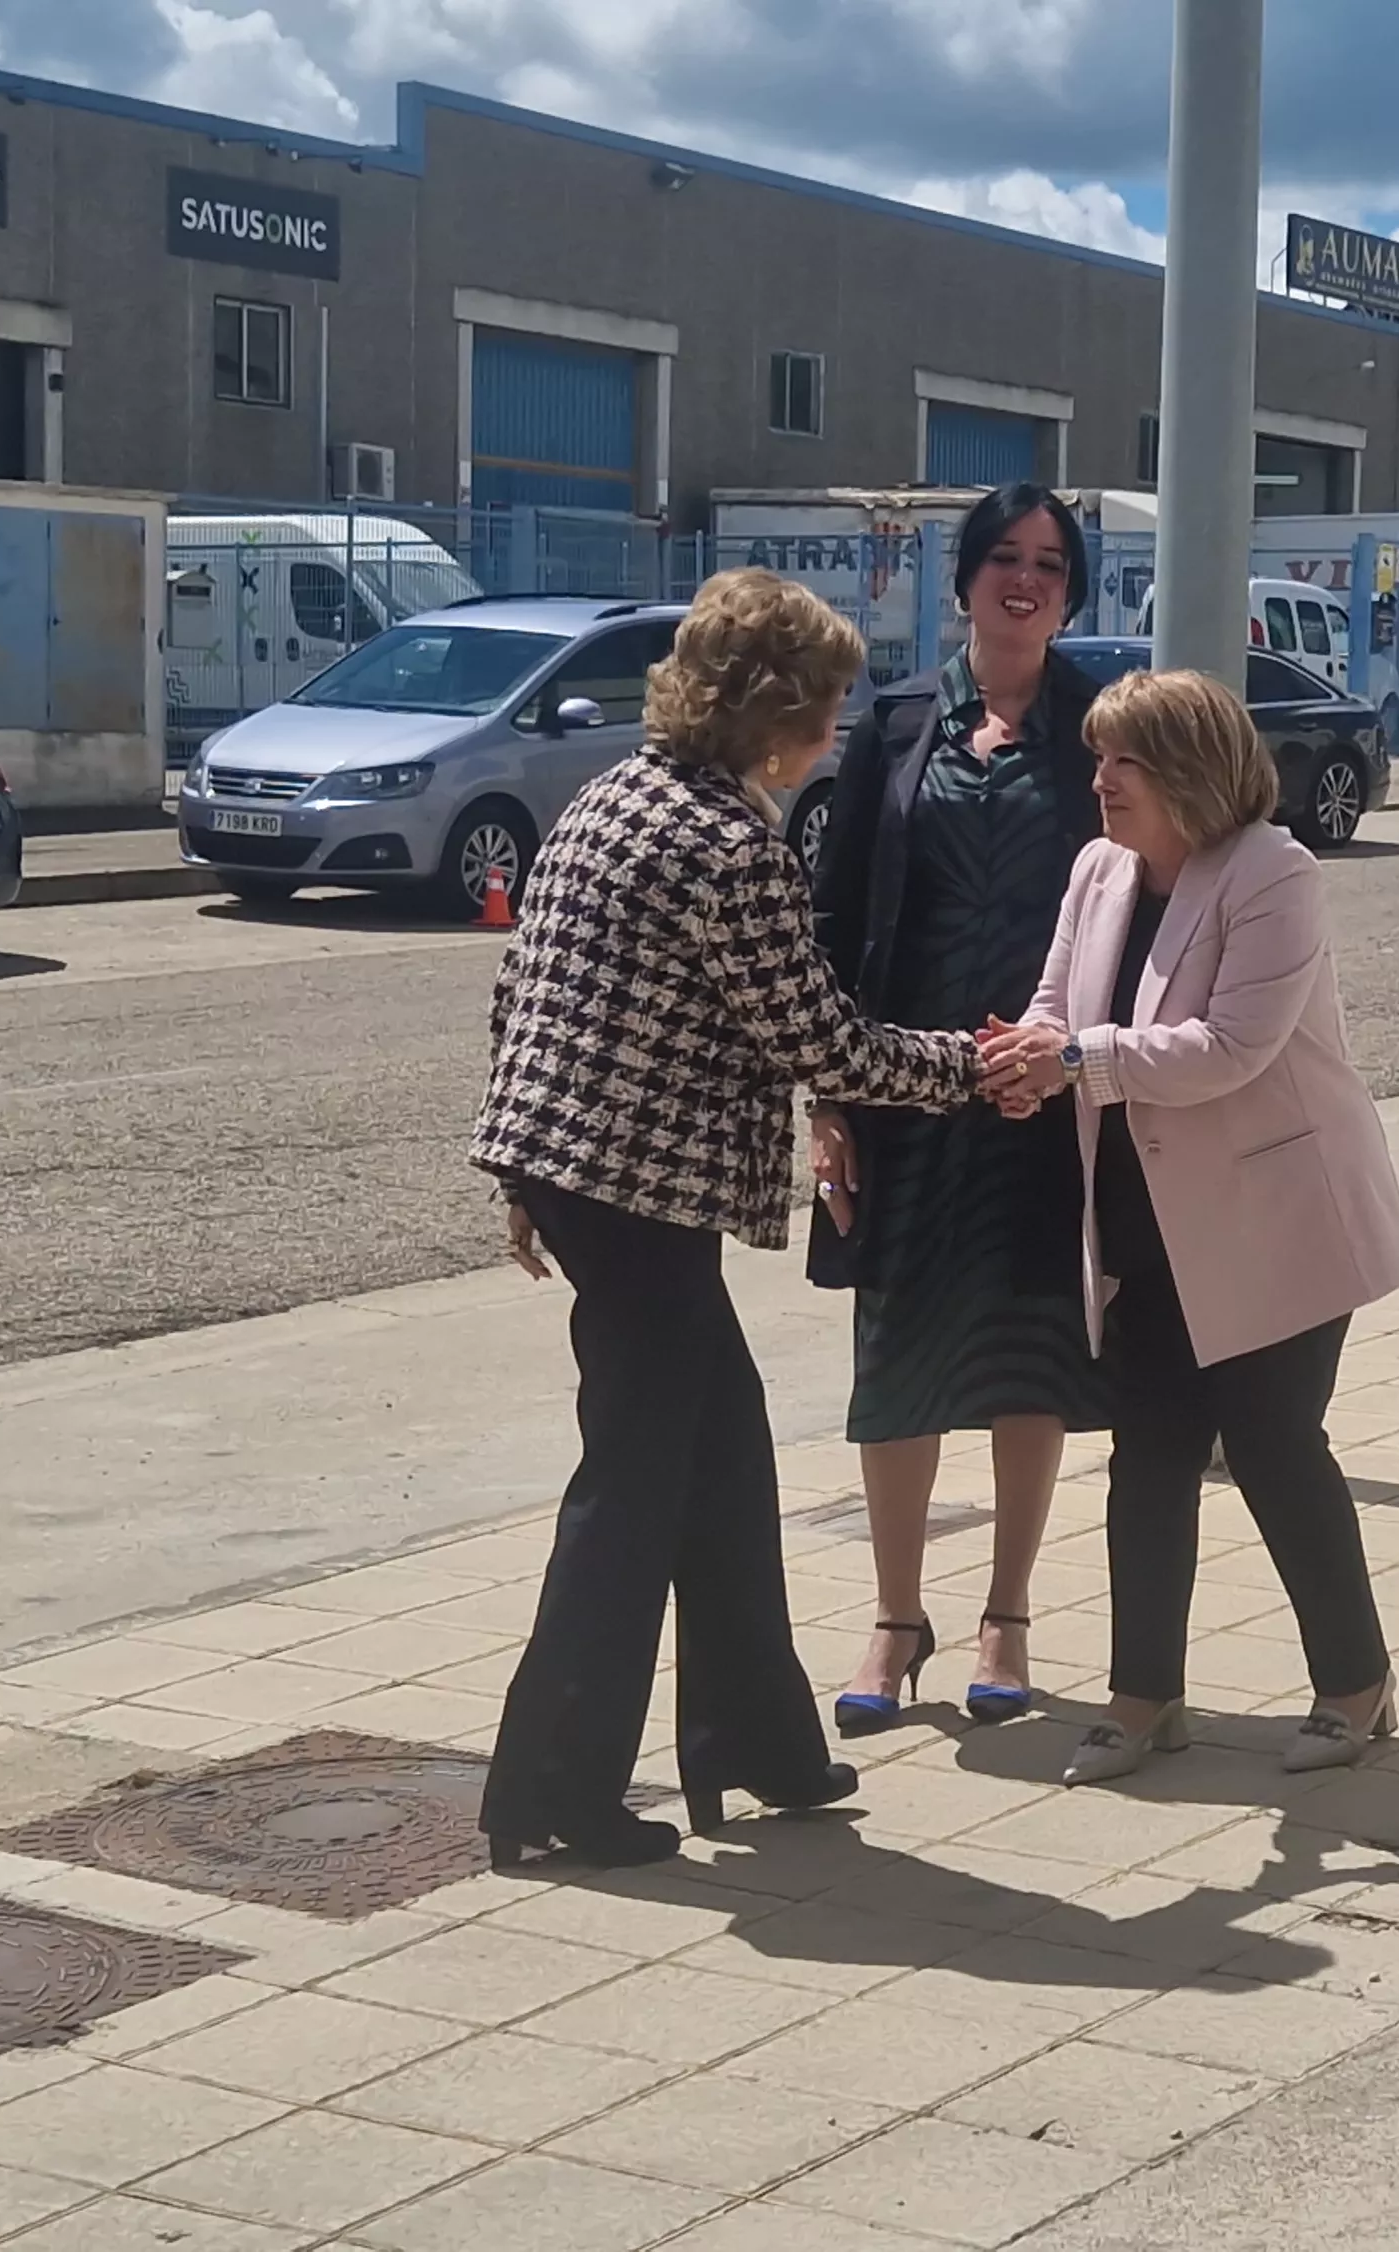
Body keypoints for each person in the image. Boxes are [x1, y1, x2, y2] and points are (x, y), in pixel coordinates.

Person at [469, 569, 1015, 1869]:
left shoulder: (611, 797)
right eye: (828, 703)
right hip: (638, 1195)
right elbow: (822, 1042)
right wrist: (979, 1072)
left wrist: (519, 1180)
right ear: (773, 712)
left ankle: (752, 1747)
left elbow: (519, 999)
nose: (839, 723)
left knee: (721, 1465)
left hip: (573, 1171)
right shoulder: (728, 844)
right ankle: (550, 1788)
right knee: (633, 1491)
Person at [982, 667, 1399, 1785]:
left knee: (1274, 1448)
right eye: (1097, 756)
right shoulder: (1098, 867)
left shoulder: (1274, 870)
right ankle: (1142, 1697)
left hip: (1279, 1219)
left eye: (1123, 760)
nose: (1101, 781)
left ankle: (1355, 1685)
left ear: (1188, 767)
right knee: (1149, 1456)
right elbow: (1055, 1001)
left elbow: (1231, 1047)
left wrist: (1075, 1058)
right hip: (1140, 1216)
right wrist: (1026, 1059)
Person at [806, 483, 1111, 1736]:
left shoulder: (1102, 726)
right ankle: (893, 1615)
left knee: (1032, 1345)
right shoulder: (893, 725)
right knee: (899, 1351)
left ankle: (1007, 1612)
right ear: (965, 579)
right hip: (903, 1087)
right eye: (1002, 558)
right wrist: (828, 1097)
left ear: (1072, 587)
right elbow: (828, 919)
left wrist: (1094, 1056)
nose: (1023, 580)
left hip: (1046, 1090)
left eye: (1047, 562)